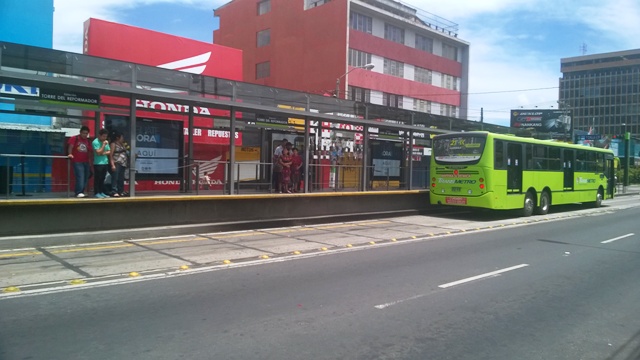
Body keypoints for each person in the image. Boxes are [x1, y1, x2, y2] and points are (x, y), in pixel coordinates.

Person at [67, 125, 92, 198]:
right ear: (80, 132)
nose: (85, 135)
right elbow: (70, 146)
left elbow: (90, 151)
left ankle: (82, 191)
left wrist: (90, 162)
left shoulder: (88, 141)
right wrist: (70, 154)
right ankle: (78, 192)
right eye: (84, 133)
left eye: (86, 133)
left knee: (85, 177)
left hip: (86, 161)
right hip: (77, 161)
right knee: (80, 176)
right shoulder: (74, 138)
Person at [92, 128, 112, 198]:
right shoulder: (95, 142)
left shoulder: (106, 142)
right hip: (98, 163)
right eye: (103, 136)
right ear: (99, 135)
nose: (104, 138)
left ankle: (101, 191)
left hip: (105, 162)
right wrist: (103, 145)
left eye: (106, 136)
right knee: (98, 178)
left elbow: (109, 151)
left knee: (103, 178)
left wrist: (103, 153)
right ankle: (96, 192)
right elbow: (98, 152)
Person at [109, 132, 128, 197]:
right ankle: (114, 191)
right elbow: (111, 155)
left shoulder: (122, 144)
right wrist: (112, 165)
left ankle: (121, 191)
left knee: (121, 178)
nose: (123, 139)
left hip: (123, 163)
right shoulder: (113, 144)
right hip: (116, 162)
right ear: (117, 138)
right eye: (122, 137)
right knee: (115, 177)